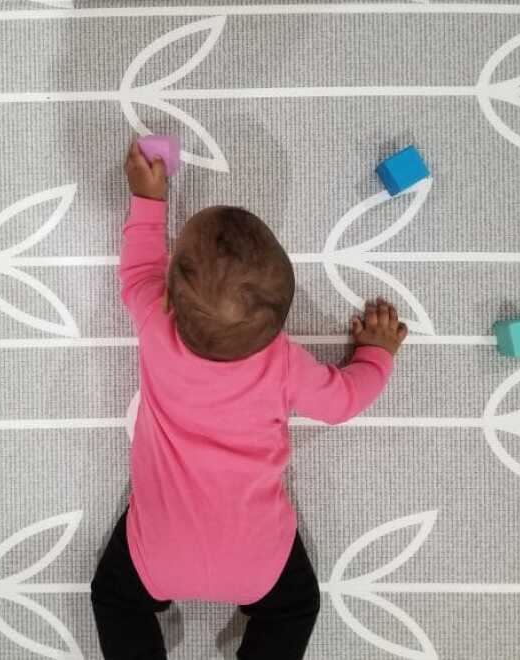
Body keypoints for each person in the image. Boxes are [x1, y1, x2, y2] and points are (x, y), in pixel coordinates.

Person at [91, 143, 408, 659]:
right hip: (259, 557)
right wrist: (376, 353)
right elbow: (344, 402)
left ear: (170, 297)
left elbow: (137, 269)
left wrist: (148, 200)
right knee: (295, 607)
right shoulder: (284, 364)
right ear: (278, 324)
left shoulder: (155, 322)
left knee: (115, 600)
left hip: (157, 549)